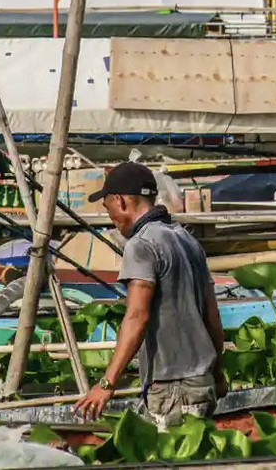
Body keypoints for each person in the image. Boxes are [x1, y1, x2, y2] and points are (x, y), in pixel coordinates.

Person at [74, 162, 227, 428]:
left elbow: (136, 316)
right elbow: (212, 316)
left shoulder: (142, 244)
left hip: (173, 388)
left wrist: (106, 384)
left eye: (107, 205)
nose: (108, 214)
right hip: (202, 383)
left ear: (120, 201)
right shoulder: (187, 240)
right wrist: (218, 372)